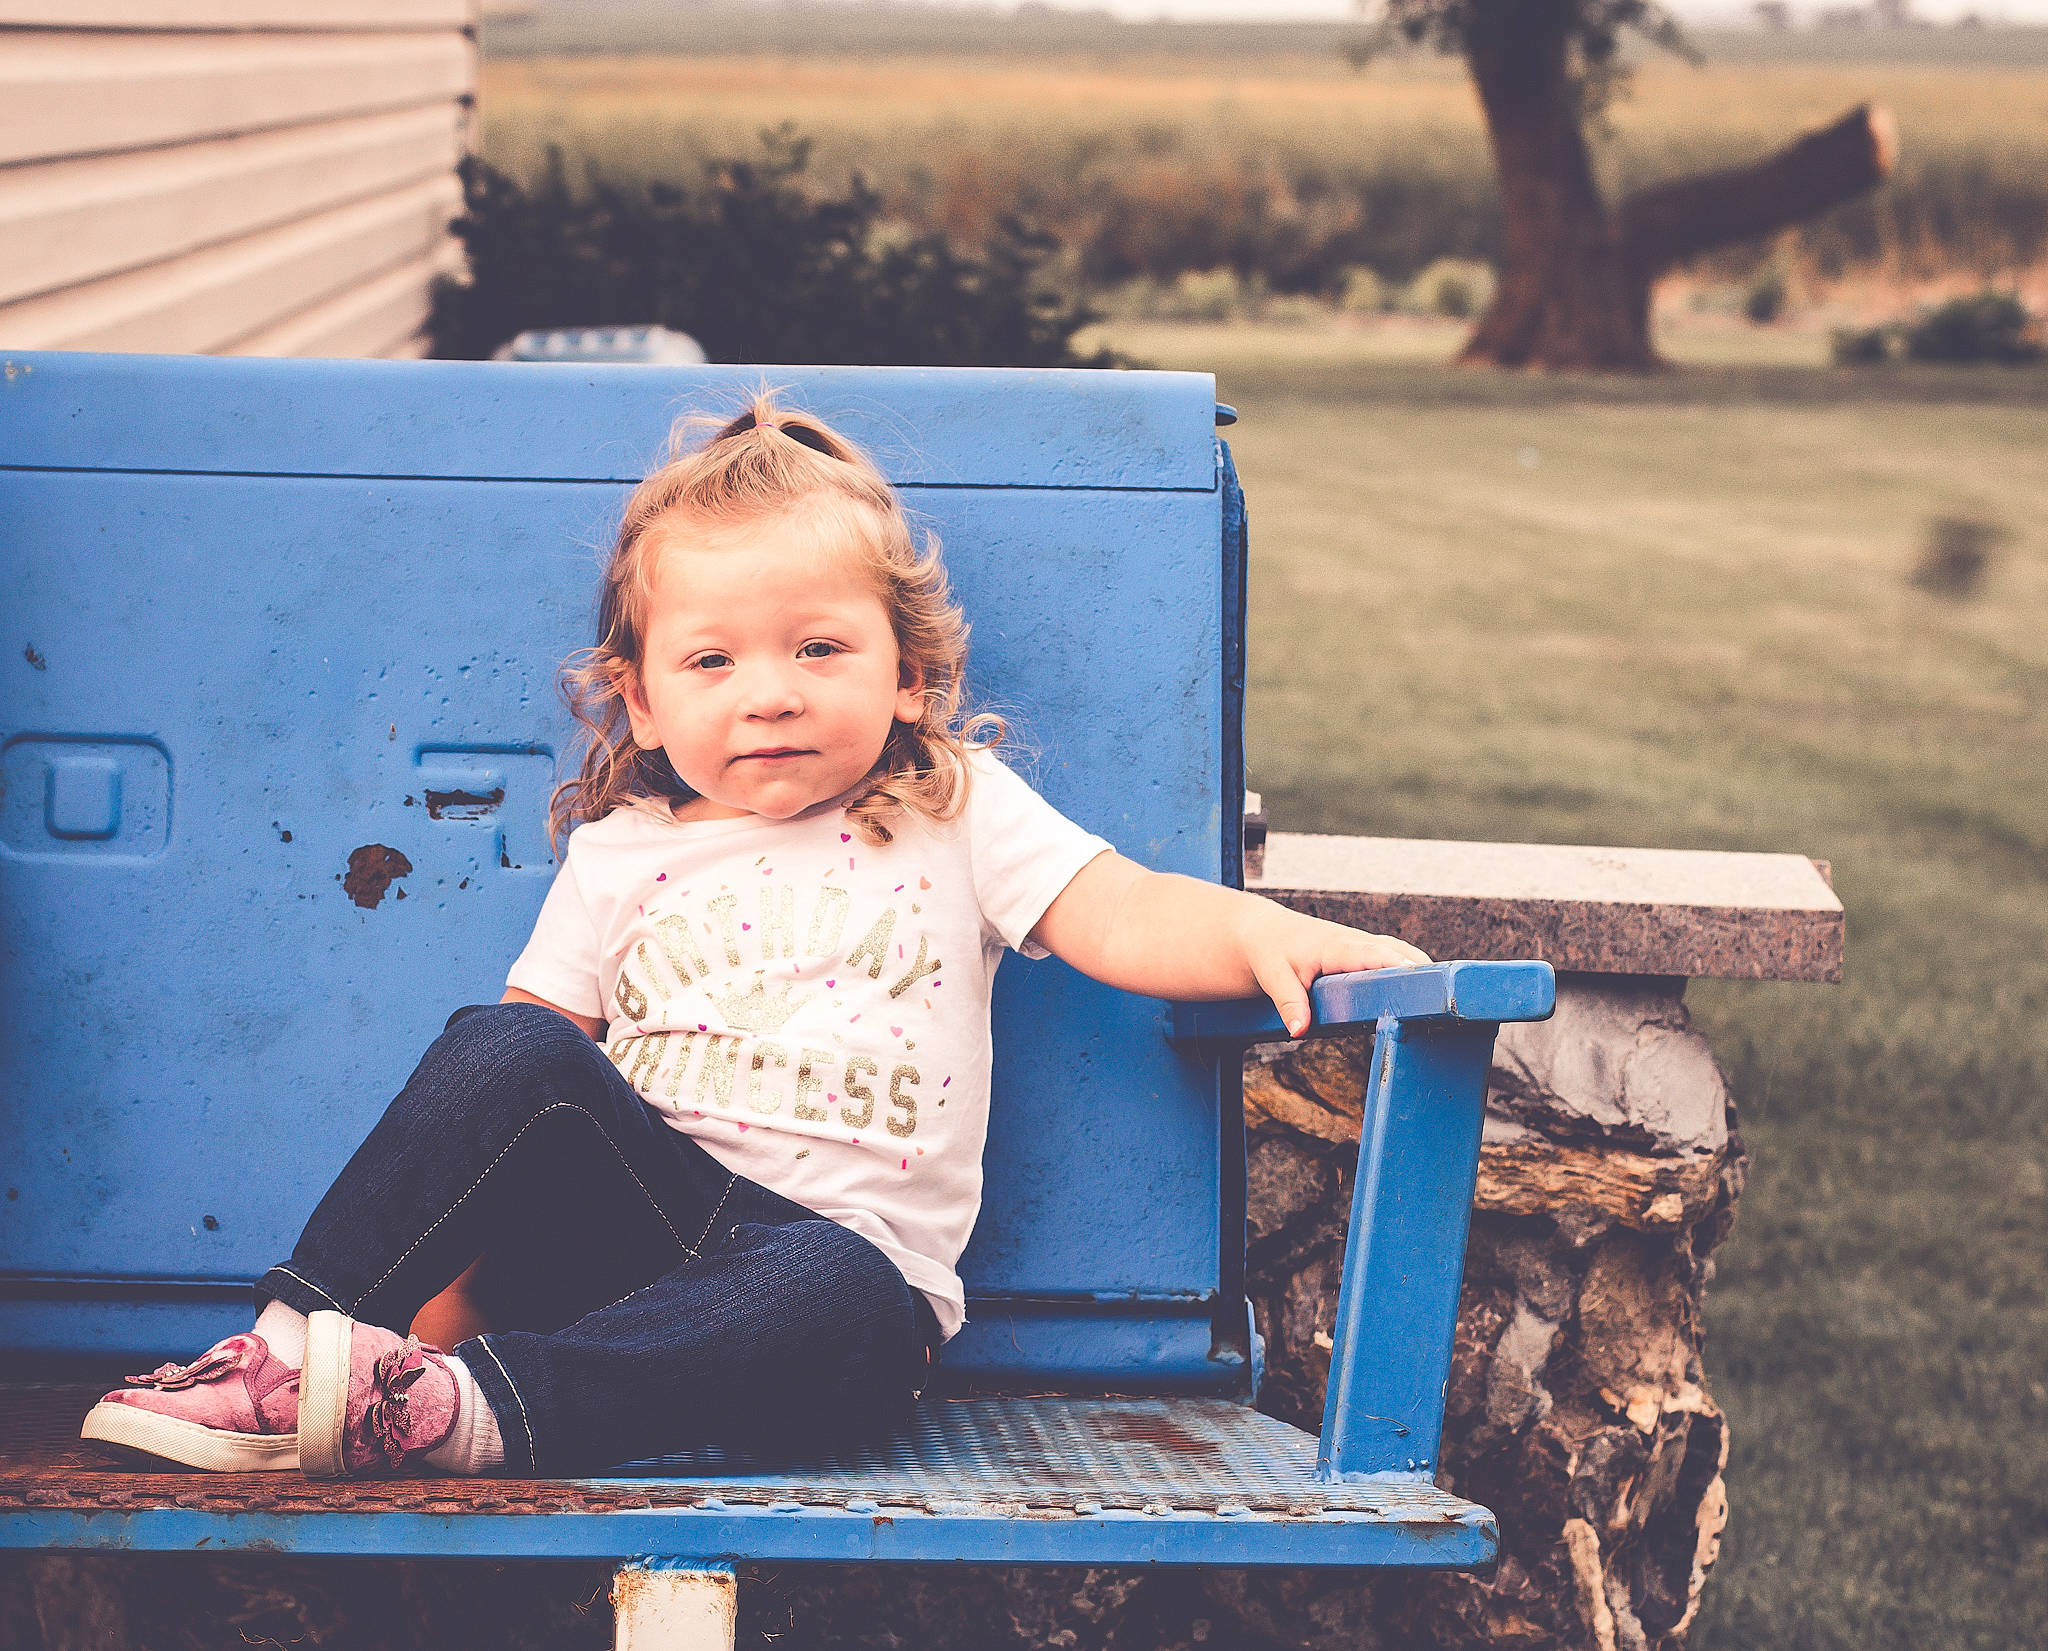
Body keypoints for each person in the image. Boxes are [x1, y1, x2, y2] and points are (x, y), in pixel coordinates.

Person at [80, 398, 1428, 1480]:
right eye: (713, 662)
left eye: (819, 650)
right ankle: (290, 1351)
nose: (770, 695)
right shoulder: (625, 852)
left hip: (815, 1302)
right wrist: (418, 1317)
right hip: (621, 1237)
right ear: (643, 702)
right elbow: (509, 1121)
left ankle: (464, 1416)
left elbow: (1118, 907)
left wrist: (1259, 927)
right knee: (506, 1044)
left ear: (906, 676)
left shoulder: (953, 811)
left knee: (849, 1284)